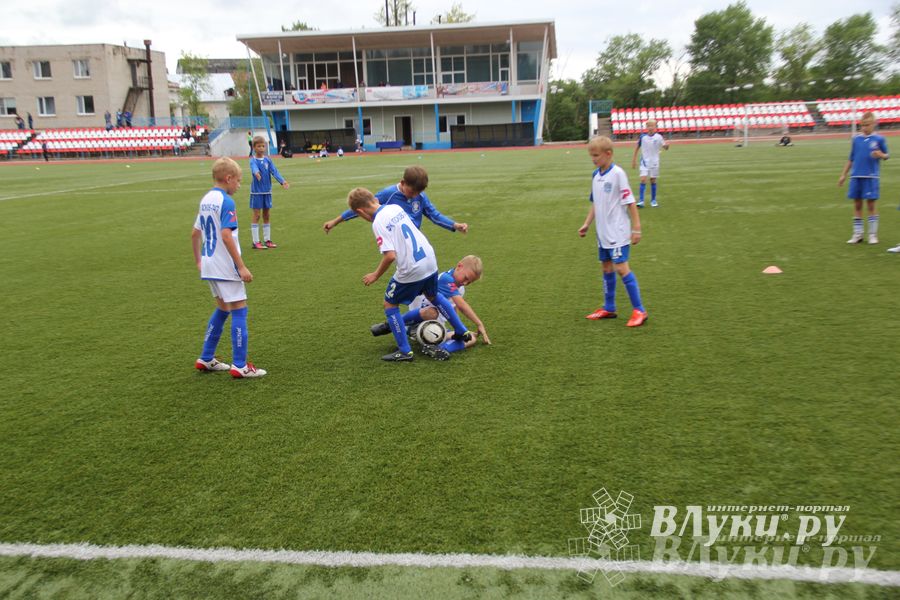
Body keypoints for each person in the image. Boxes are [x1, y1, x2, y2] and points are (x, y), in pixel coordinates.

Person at [347, 187, 472, 361]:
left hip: (412, 268)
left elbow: (390, 256)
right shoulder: (394, 208)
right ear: (375, 199)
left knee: (390, 305)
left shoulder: (378, 222)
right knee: (433, 294)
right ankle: (461, 330)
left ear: (360, 211)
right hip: (429, 259)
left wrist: (375, 275)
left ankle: (405, 352)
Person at [191, 157, 266, 378]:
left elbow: (195, 233)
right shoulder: (226, 202)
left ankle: (206, 358)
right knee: (239, 309)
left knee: (223, 308)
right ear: (228, 178)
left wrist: (199, 260)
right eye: (239, 181)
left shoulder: (206, 199)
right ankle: (240, 365)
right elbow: (226, 235)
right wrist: (241, 266)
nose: (239, 185)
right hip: (224, 266)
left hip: (209, 264)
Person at [579, 136, 648, 327]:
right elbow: (595, 203)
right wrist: (586, 224)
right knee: (606, 268)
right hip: (602, 233)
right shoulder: (596, 175)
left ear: (608, 154)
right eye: (591, 155)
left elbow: (630, 202)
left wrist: (637, 229)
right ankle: (609, 307)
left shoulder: (618, 174)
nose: (593, 159)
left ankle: (640, 310)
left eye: (596, 155)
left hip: (618, 232)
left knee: (621, 268)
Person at [370, 255, 490, 355]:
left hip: (436, 328)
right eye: (466, 278)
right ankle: (392, 325)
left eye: (470, 282)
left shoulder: (460, 289)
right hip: (419, 320)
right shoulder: (445, 278)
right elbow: (462, 305)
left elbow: (454, 309)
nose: (465, 282)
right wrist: (479, 324)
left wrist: (457, 331)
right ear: (459, 266)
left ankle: (439, 349)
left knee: (471, 338)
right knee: (432, 312)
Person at [322, 165, 468, 235]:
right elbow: (360, 205)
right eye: (412, 191)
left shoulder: (420, 196)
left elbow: (434, 215)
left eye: (419, 192)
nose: (414, 195)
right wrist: (335, 221)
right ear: (403, 183)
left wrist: (455, 225)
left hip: (415, 239)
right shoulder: (388, 194)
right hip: (397, 242)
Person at [838, 112, 889, 245]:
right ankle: (858, 234)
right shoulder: (856, 139)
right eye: (862, 125)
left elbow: (887, 156)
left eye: (867, 125)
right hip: (856, 176)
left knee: (871, 205)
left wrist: (880, 155)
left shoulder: (879, 139)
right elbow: (851, 158)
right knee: (857, 204)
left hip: (871, 176)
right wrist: (843, 174)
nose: (864, 128)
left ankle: (872, 234)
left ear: (873, 124)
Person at [249, 135, 290, 250]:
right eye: (259, 146)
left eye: (263, 146)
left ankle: (267, 240)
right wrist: (256, 173)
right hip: (257, 192)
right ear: (254, 148)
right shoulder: (253, 160)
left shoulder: (268, 160)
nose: (262, 148)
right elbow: (254, 168)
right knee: (256, 215)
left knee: (267, 215)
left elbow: (274, 171)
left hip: (267, 192)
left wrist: (282, 181)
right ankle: (256, 241)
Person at [630, 118, 669, 208]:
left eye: (652, 126)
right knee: (643, 179)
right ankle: (641, 201)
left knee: (653, 180)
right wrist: (634, 160)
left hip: (654, 162)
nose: (650, 128)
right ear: (646, 127)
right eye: (649, 126)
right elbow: (637, 148)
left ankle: (653, 200)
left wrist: (667, 146)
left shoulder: (659, 137)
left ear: (655, 127)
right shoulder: (642, 137)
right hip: (644, 162)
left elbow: (665, 147)